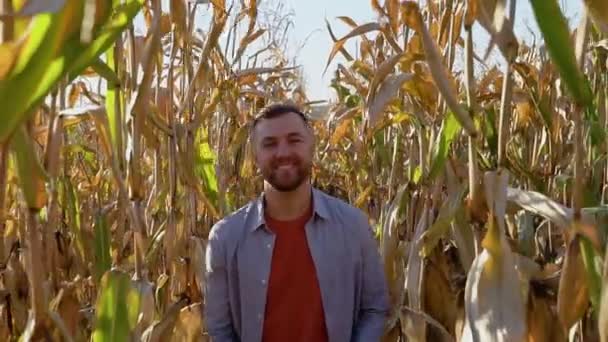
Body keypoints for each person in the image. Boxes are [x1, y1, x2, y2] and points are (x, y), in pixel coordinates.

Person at [204, 103, 390, 342]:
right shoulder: (225, 238)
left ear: (312, 146)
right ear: (255, 155)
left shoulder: (353, 226)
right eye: (269, 143)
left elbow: (374, 308)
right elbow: (219, 330)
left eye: (294, 140)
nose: (283, 152)